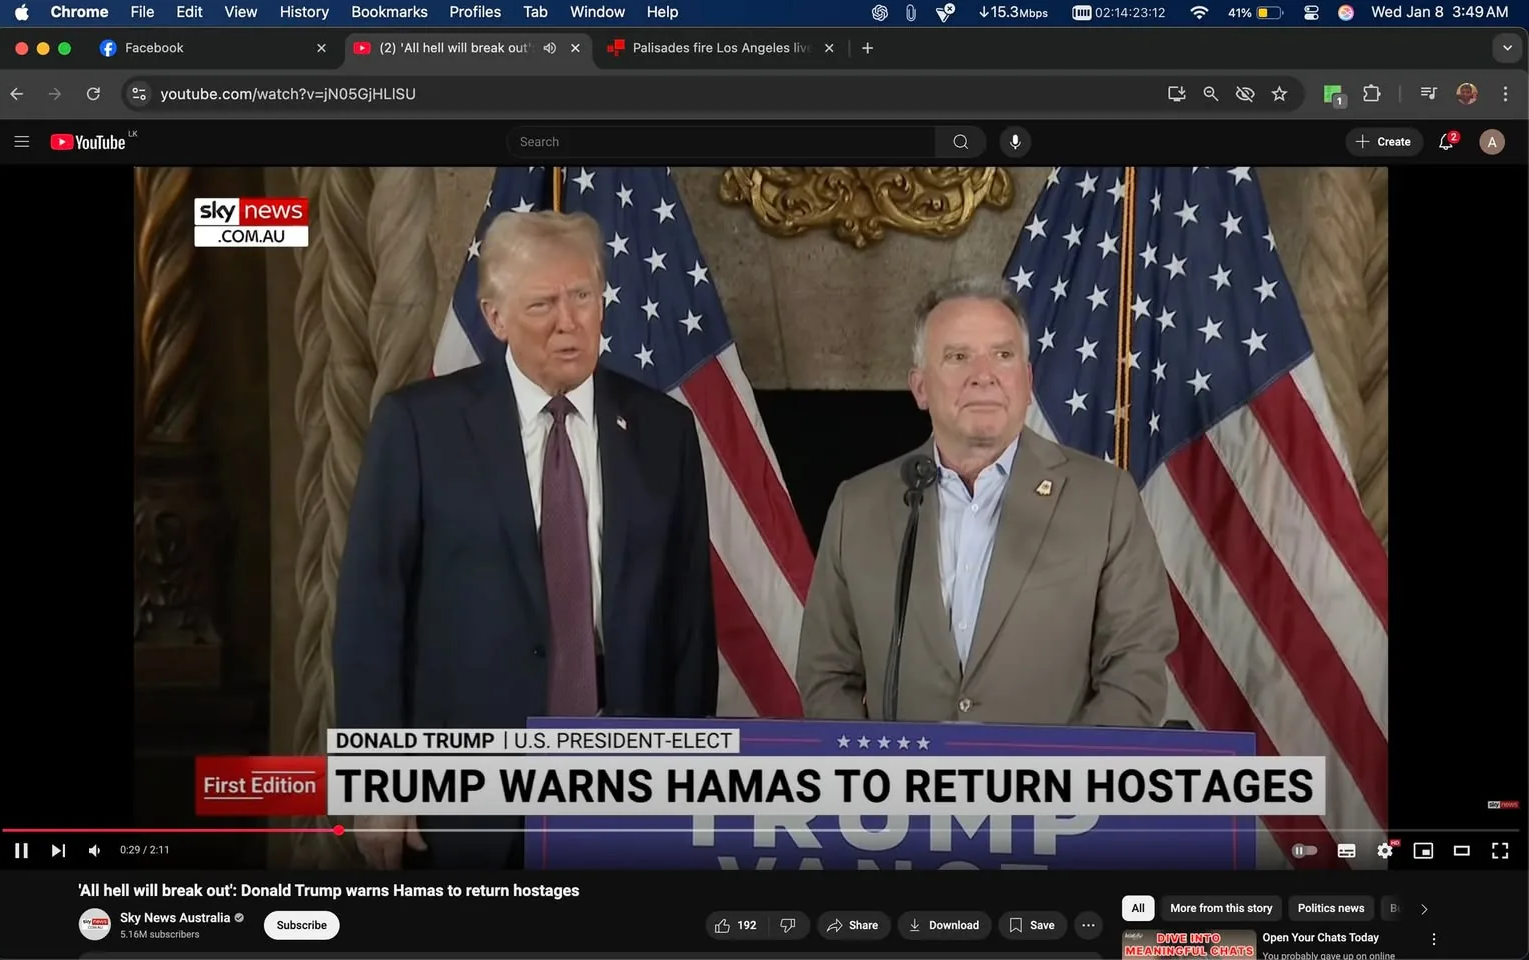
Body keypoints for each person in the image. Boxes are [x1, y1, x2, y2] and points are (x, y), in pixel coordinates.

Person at [333, 210, 718, 869]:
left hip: (626, 790)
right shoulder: (420, 427)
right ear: (495, 316)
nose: (569, 322)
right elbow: (372, 618)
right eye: (542, 304)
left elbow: (688, 624)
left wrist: (689, 781)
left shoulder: (663, 431)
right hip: (467, 797)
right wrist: (377, 781)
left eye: (583, 298)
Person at [796, 276, 1177, 727]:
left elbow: (1135, 671)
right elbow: (827, 675)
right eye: (958, 357)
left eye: (1003, 354)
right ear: (919, 387)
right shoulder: (857, 506)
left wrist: (1059, 786)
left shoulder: (1106, 499)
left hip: (1053, 793)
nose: (984, 374)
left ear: (1027, 379)